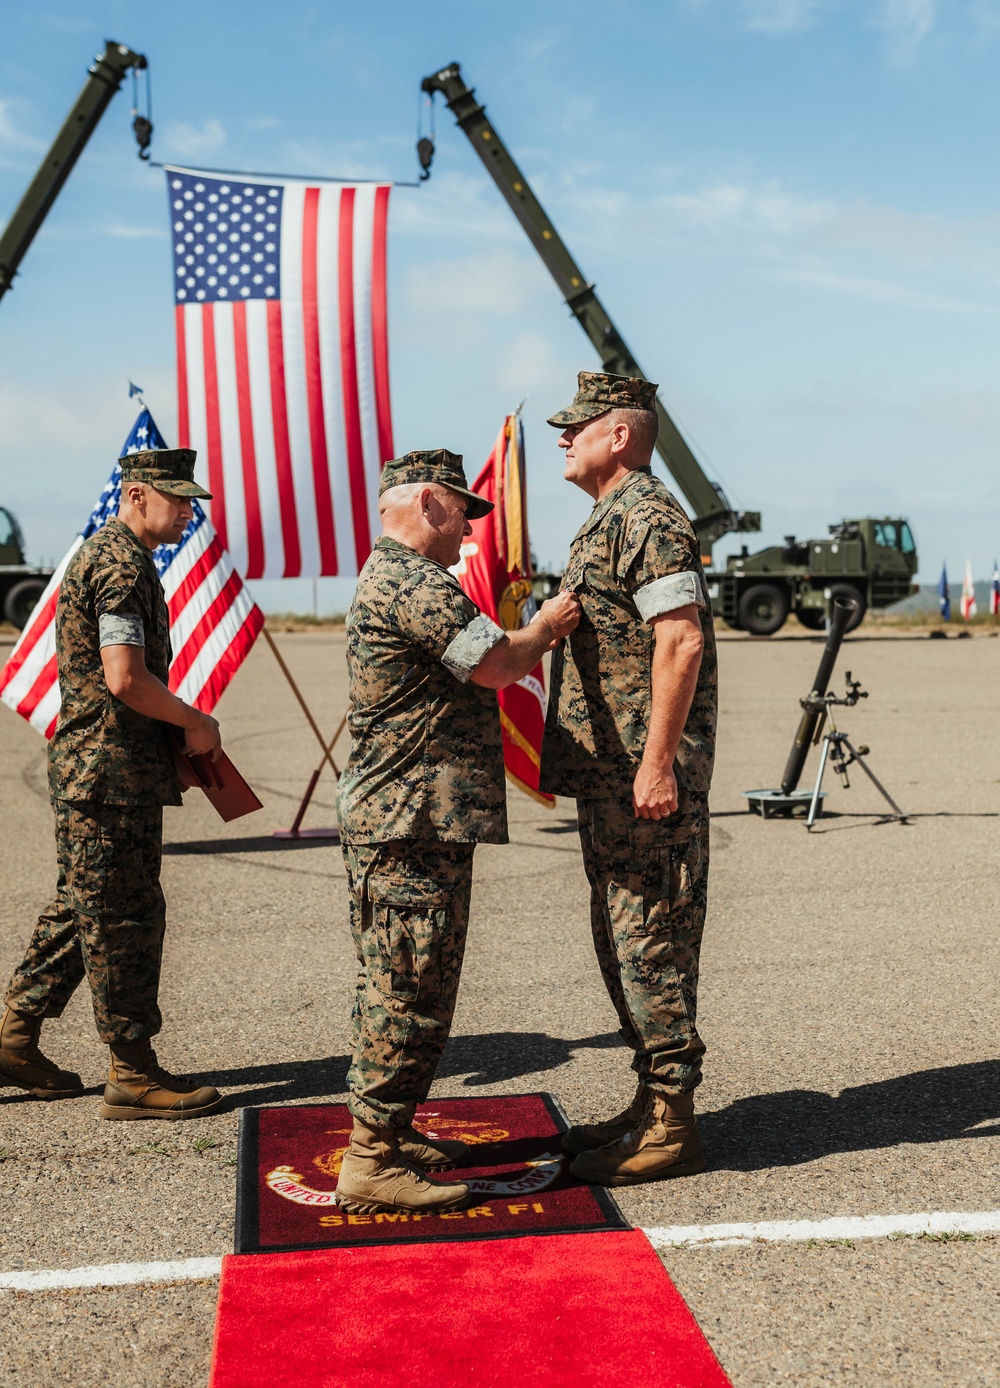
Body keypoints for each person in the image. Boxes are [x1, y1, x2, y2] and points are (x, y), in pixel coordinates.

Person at [334, 449, 580, 1215]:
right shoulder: (411, 580)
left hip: (412, 821)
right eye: (463, 518)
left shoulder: (396, 577)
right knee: (405, 990)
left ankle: (392, 1130)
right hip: (407, 825)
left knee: (409, 984)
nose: (470, 536)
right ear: (432, 505)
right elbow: (495, 664)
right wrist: (546, 627)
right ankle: (372, 1160)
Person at [0, 449, 224, 1121]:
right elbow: (125, 678)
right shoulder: (121, 563)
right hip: (109, 775)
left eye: (192, 500)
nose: (189, 512)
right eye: (178, 499)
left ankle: (13, 1037)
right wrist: (197, 722)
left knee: (81, 907)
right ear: (135, 495)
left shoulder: (121, 557)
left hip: (104, 770)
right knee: (125, 919)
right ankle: (132, 1072)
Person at [539, 371, 717, 1187]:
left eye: (577, 426)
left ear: (620, 434)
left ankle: (672, 1122)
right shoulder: (605, 521)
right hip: (609, 778)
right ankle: (652, 1098)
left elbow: (679, 641)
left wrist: (655, 764)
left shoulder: (646, 516)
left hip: (640, 781)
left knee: (651, 939)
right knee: (621, 938)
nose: (562, 438)